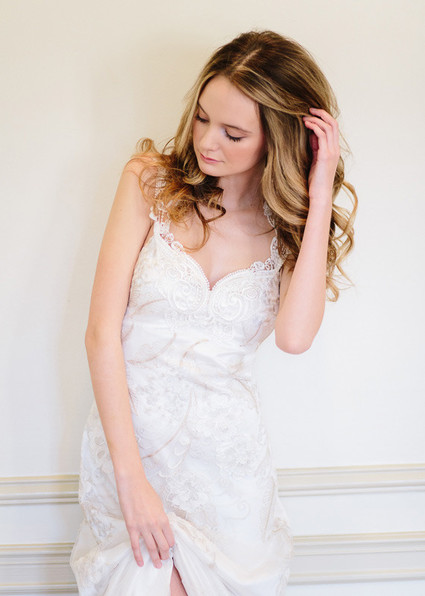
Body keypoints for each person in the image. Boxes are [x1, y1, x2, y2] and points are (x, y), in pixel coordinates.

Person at [70, 30, 357, 595]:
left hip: (227, 477)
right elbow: (101, 334)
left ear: (277, 139)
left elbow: (294, 337)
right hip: (131, 455)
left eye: (233, 133)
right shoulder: (149, 181)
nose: (207, 141)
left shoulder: (287, 230)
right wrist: (131, 481)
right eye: (202, 117)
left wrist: (319, 190)